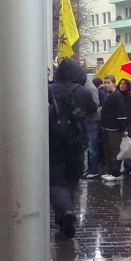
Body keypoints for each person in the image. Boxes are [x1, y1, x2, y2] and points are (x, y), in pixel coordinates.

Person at [49, 58, 97, 237]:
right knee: (72, 177)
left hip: (54, 140)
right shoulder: (82, 91)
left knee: (55, 180)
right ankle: (66, 213)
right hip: (77, 141)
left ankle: (65, 212)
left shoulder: (49, 90)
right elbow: (92, 109)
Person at [100, 74, 128, 181]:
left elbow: (121, 114)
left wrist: (123, 128)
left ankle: (116, 173)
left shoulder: (117, 96)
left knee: (114, 151)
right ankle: (110, 171)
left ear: (113, 83)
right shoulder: (109, 94)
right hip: (107, 127)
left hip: (114, 129)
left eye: (108, 83)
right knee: (108, 151)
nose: (106, 85)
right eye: (105, 82)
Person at [84, 76, 101, 179]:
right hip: (90, 119)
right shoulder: (87, 87)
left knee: (92, 146)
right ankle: (91, 169)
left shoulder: (89, 88)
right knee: (90, 146)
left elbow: (95, 103)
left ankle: (93, 170)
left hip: (92, 120)